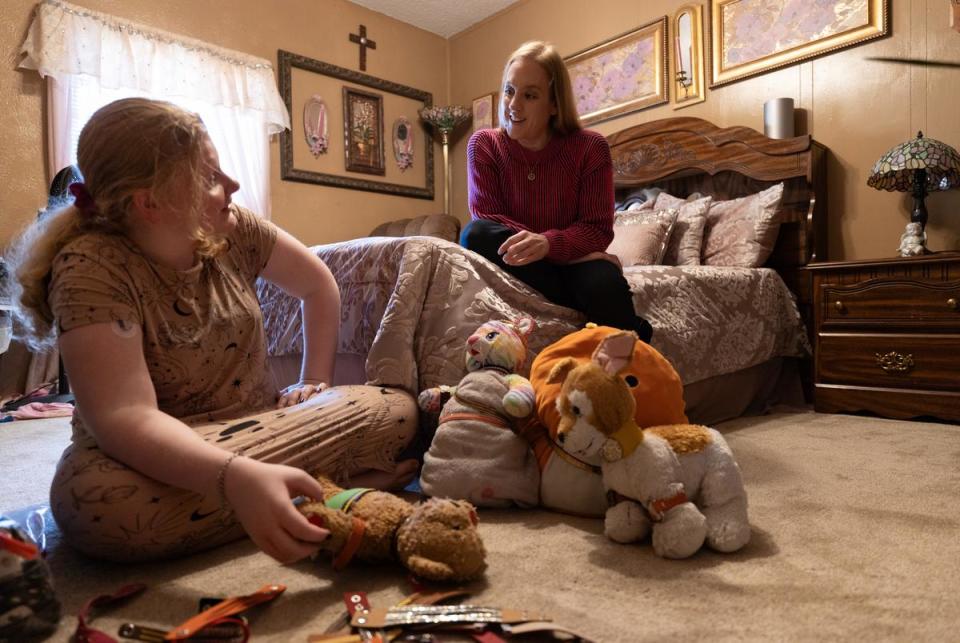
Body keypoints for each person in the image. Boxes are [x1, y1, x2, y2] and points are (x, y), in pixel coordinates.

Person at [5, 98, 418, 563]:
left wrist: (313, 381)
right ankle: (310, 487)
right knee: (93, 503)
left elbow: (319, 286)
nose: (233, 185)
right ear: (149, 202)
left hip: (265, 426)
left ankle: (277, 493)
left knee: (399, 410)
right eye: (210, 178)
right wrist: (234, 477)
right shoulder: (90, 267)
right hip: (155, 458)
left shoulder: (233, 228)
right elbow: (126, 419)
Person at [461, 41, 653, 343]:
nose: (514, 104)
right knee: (475, 234)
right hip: (527, 261)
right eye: (510, 91)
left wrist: (549, 245)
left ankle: (624, 367)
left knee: (604, 281)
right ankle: (632, 327)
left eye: (530, 95)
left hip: (567, 262)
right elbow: (487, 217)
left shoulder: (590, 148)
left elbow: (596, 229)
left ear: (554, 104)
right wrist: (555, 251)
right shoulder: (485, 144)